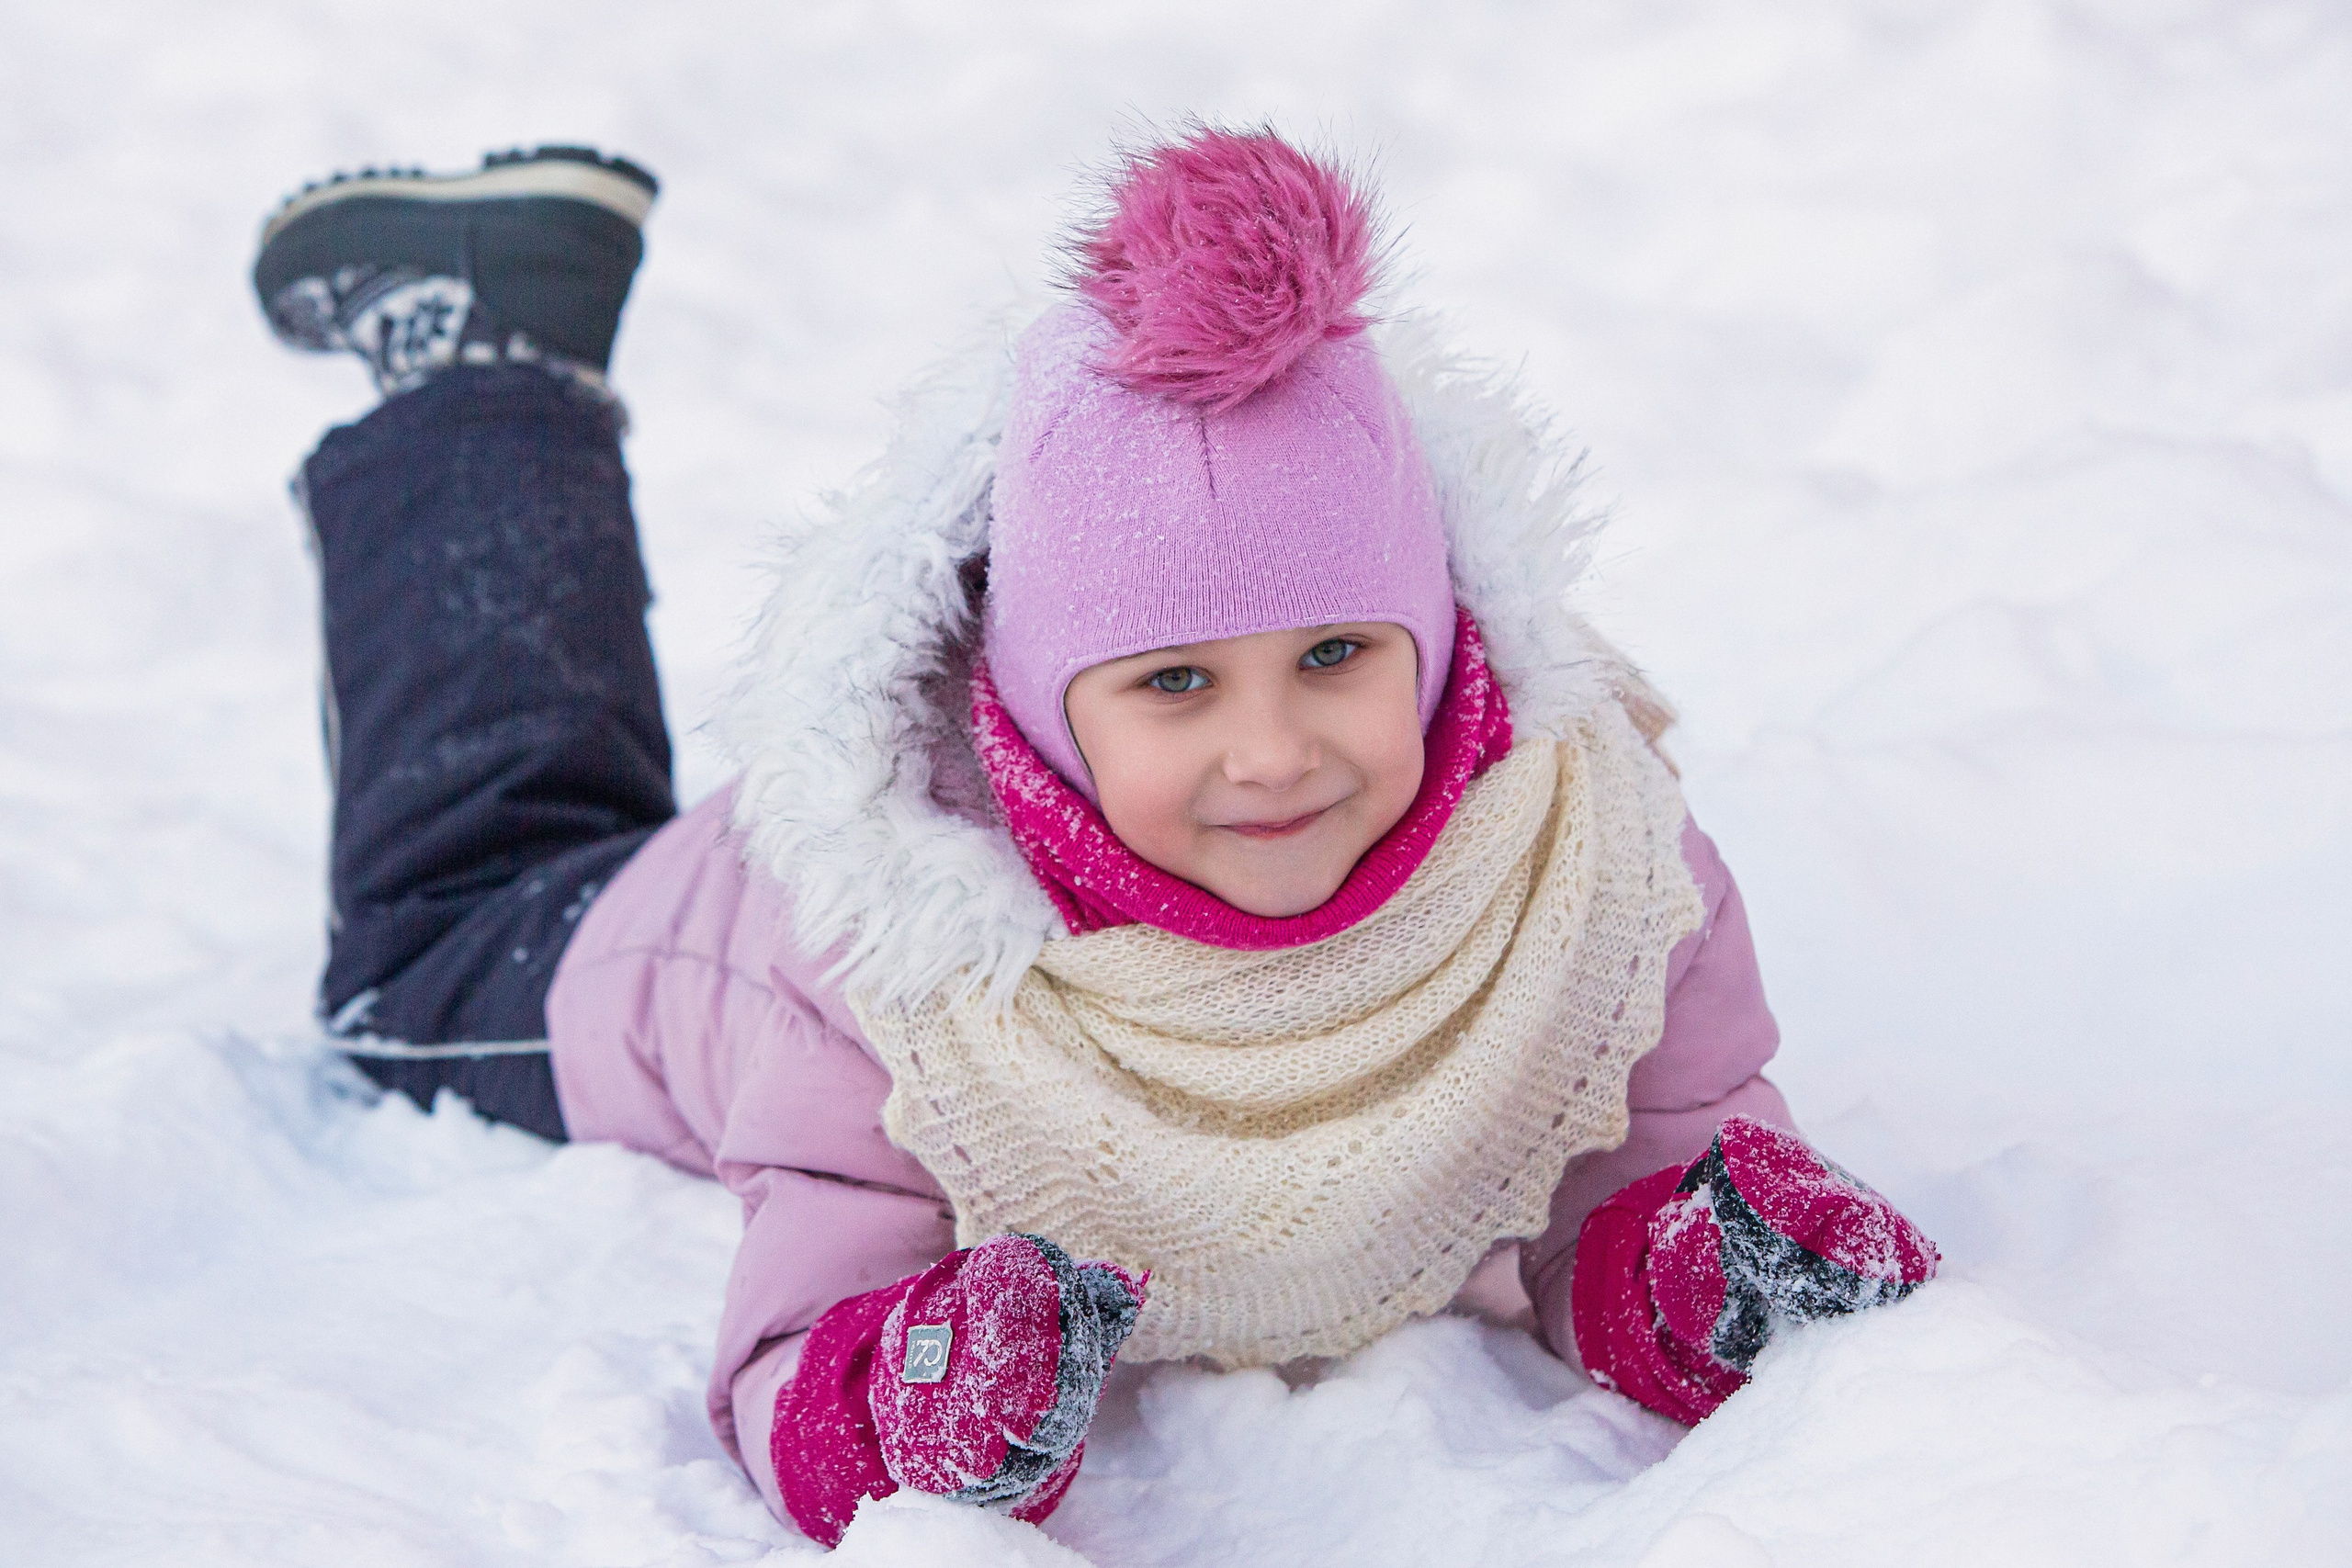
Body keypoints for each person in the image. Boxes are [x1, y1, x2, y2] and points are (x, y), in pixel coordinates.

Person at [253, 129, 1939, 1547]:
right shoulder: (904, 955)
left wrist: (1704, 1260)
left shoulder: (1594, 869)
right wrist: (909, 1395)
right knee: (467, 880)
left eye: (1338, 657)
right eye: (1176, 685)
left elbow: (1636, 1165)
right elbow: (795, 1335)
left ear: (1440, 632)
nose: (1271, 752)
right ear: (1052, 712)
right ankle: (482, 365)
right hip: (654, 959)